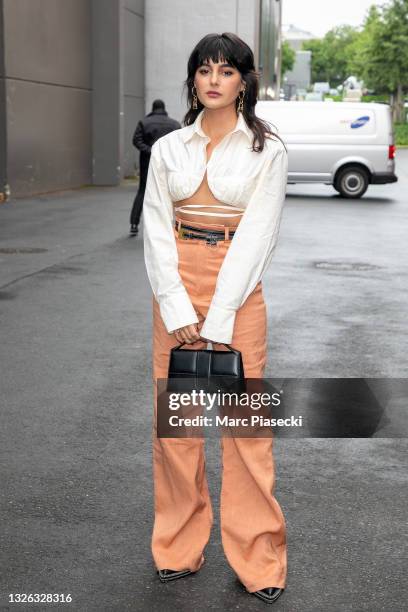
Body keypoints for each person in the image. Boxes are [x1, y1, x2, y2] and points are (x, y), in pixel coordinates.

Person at [142, 32, 289, 605]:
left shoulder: (266, 151)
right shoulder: (170, 147)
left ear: (244, 82)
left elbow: (259, 235)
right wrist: (176, 306)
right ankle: (177, 548)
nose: (212, 80)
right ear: (193, 79)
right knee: (176, 430)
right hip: (175, 286)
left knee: (246, 433)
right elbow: (155, 226)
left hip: (238, 290)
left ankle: (260, 559)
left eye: (225, 71)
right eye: (204, 70)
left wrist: (221, 314)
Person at [129, 100, 181, 235]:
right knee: (169, 193)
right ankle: (168, 226)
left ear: (153, 108)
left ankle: (134, 224)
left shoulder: (144, 123)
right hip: (168, 163)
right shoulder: (174, 124)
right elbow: (180, 144)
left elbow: (136, 140)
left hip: (147, 162)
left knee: (142, 192)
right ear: (164, 108)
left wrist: (150, 150)